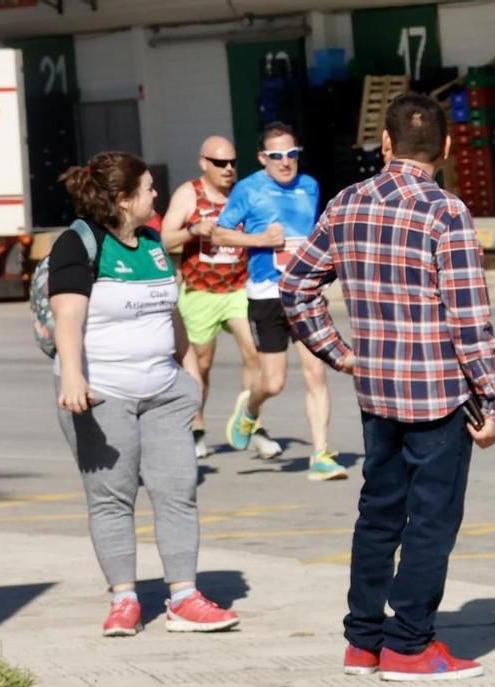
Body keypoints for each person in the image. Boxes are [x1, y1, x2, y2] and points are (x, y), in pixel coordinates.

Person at [282, 91, 495, 683]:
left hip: (376, 393)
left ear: (384, 144)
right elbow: (469, 319)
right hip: (437, 396)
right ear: (449, 147)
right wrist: (492, 397)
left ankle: (363, 641)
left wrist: (340, 353)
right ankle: (409, 643)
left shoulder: (347, 203)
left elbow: (296, 287)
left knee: (378, 514)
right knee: (431, 520)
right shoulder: (446, 213)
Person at [48, 152, 241, 636]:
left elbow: (169, 313)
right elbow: (67, 317)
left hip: (163, 391)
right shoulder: (78, 243)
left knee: (178, 492)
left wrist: (191, 374)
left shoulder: (153, 241)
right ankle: (125, 599)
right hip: (102, 391)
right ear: (122, 198)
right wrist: (73, 377)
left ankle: (184, 596)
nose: (157, 196)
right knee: (112, 498)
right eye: (150, 189)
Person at [212, 122, 345, 480]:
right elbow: (218, 233)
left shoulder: (310, 186)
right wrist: (259, 241)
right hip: (267, 296)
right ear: (262, 158)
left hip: (305, 293)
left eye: (292, 155)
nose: (286, 163)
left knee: (317, 372)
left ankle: (320, 454)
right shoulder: (248, 189)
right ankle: (250, 409)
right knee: (273, 383)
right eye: (277, 156)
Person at [159, 135, 271, 462]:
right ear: (203, 163)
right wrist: (193, 231)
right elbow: (164, 238)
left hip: (238, 287)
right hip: (200, 291)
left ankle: (253, 424)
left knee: (256, 353)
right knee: (201, 364)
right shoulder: (188, 194)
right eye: (220, 163)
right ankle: (196, 426)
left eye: (233, 162)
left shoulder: (243, 193)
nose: (228, 169)